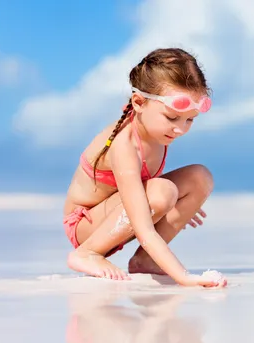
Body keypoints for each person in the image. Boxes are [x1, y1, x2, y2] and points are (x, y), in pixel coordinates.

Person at [62, 47, 227, 287]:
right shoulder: (125, 144)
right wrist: (184, 277)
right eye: (172, 118)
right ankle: (87, 254)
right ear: (139, 103)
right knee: (163, 192)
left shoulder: (156, 132)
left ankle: (145, 260)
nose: (180, 129)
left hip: (116, 211)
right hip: (85, 227)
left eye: (189, 119)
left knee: (199, 177)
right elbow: (144, 224)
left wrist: (184, 201)